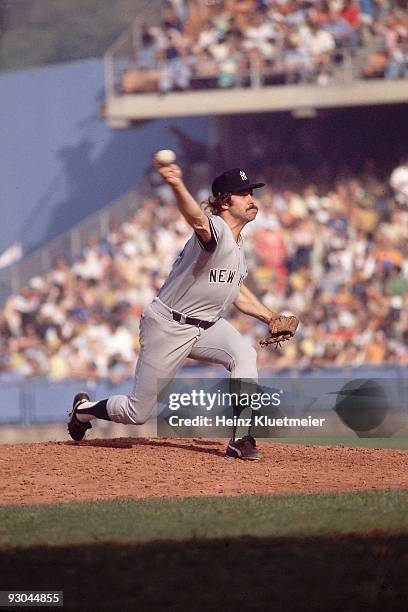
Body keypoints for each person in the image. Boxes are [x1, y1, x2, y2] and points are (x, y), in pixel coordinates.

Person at [68, 158, 299, 460]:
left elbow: (236, 293)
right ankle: (83, 411)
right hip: (168, 325)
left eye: (251, 193)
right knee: (137, 412)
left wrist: (269, 317)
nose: (252, 200)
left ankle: (241, 439)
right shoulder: (215, 228)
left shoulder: (238, 246)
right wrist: (176, 184)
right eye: (245, 194)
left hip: (206, 326)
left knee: (244, 355)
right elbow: (198, 220)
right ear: (225, 201)